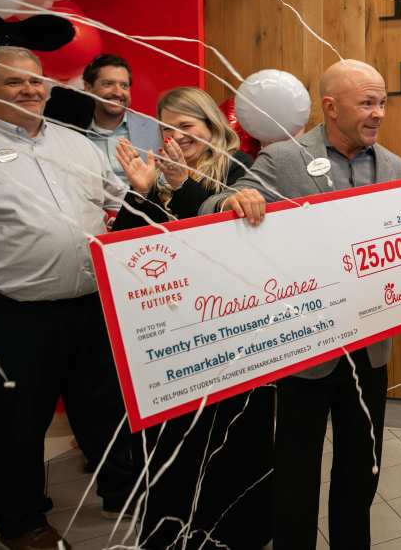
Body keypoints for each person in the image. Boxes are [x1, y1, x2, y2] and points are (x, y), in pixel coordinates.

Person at [200, 59, 401, 550]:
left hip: (370, 349)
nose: (378, 113)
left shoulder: (393, 166)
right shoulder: (284, 158)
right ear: (330, 107)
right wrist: (232, 203)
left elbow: (394, 243)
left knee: (361, 469)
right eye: (367, 103)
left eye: (382, 103)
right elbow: (215, 204)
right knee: (296, 473)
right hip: (305, 351)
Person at [0, 46, 139, 550]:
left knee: (104, 406)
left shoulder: (77, 145)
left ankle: (125, 491)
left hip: (90, 303)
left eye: (35, 81)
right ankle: (23, 523)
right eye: (13, 83)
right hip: (15, 314)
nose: (30, 90)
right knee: (19, 422)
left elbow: (116, 206)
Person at [109, 86, 273, 549]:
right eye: (167, 129)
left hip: (237, 336)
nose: (176, 138)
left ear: (211, 128)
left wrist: (183, 184)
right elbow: (127, 250)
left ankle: (238, 534)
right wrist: (139, 195)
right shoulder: (155, 176)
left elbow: (233, 231)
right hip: (178, 340)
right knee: (177, 448)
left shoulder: (244, 169)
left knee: (236, 443)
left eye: (186, 127)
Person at [43, 53, 161, 185]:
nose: (118, 92)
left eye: (124, 86)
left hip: (141, 203)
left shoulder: (154, 128)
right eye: (108, 84)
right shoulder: (70, 129)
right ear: (88, 87)